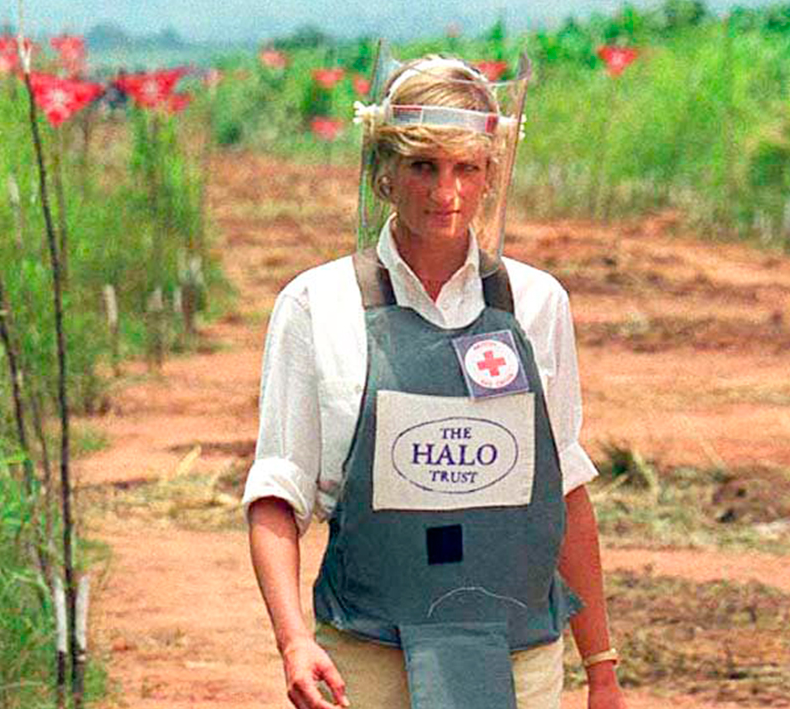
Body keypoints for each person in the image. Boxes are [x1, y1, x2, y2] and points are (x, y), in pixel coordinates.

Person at [243, 53, 626, 709]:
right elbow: (278, 491)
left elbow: (561, 489)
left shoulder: (536, 305)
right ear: (384, 171)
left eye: (465, 169)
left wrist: (602, 665)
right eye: (423, 167)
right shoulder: (317, 305)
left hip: (520, 659)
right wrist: (293, 641)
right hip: (368, 657)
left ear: (490, 176)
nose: (445, 194)